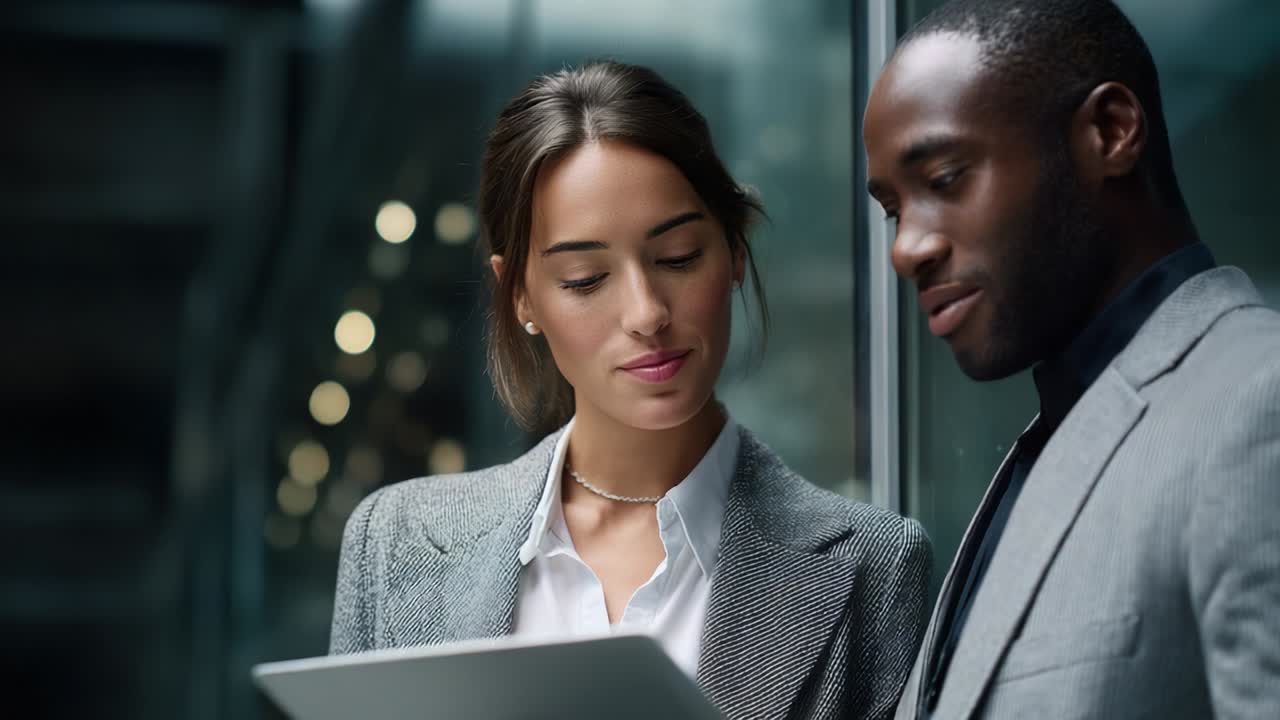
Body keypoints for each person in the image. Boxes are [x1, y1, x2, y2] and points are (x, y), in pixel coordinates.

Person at [331, 60, 931, 720]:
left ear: (734, 249)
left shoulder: (877, 567)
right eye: (586, 278)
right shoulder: (397, 545)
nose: (646, 313)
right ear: (521, 295)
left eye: (677, 258)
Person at [862, 1, 1280, 718]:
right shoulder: (1060, 435)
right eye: (895, 210)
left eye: (947, 178)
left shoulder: (1257, 403)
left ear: (1110, 133)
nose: (906, 249)